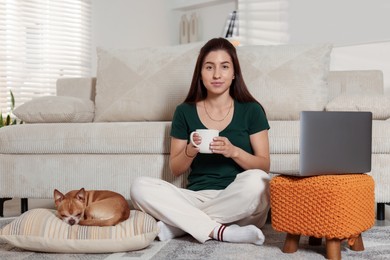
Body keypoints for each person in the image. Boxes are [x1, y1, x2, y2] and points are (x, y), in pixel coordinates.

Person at [130, 38, 270, 245]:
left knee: (258, 181)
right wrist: (190, 149)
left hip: (240, 201)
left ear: (234, 74)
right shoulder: (184, 111)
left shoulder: (252, 110)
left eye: (224, 67)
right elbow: (176, 169)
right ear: (200, 73)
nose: (216, 74)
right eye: (209, 67)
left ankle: (179, 225)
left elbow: (264, 165)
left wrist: (234, 152)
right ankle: (222, 232)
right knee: (139, 187)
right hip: (197, 196)